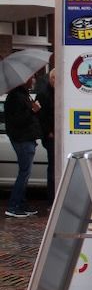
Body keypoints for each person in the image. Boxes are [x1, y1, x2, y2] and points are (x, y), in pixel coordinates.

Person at [4, 75, 42, 217]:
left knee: (25, 173)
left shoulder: (23, 95)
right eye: (31, 78)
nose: (34, 80)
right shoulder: (16, 97)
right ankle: (14, 206)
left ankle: (21, 203)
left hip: (27, 138)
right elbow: (17, 120)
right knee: (24, 173)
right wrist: (33, 110)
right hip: (22, 139)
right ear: (24, 80)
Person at [35, 67, 56, 201]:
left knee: (54, 167)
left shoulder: (56, 92)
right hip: (50, 136)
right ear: (52, 79)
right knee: (53, 168)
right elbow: (42, 117)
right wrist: (49, 132)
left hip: (54, 135)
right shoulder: (44, 94)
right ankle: (51, 199)